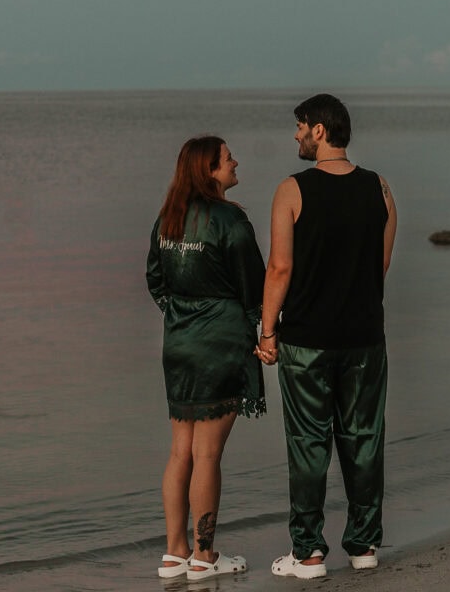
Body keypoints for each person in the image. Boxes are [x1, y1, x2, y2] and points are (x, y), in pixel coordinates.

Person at [256, 94, 397, 580]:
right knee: (364, 441)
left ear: (320, 130)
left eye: (299, 127)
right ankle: (363, 547)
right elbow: (379, 268)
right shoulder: (379, 188)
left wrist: (267, 331)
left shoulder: (291, 190)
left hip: (307, 341)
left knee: (308, 443)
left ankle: (309, 553)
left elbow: (279, 268)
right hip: (364, 337)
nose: (295, 136)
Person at [146, 136, 266, 581]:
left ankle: (174, 554)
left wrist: (183, 314)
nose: (236, 162)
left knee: (181, 452)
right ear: (208, 170)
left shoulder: (168, 218)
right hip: (220, 343)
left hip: (178, 344)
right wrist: (264, 332)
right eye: (227, 158)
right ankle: (205, 555)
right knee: (208, 454)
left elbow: (155, 280)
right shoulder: (230, 221)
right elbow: (254, 285)